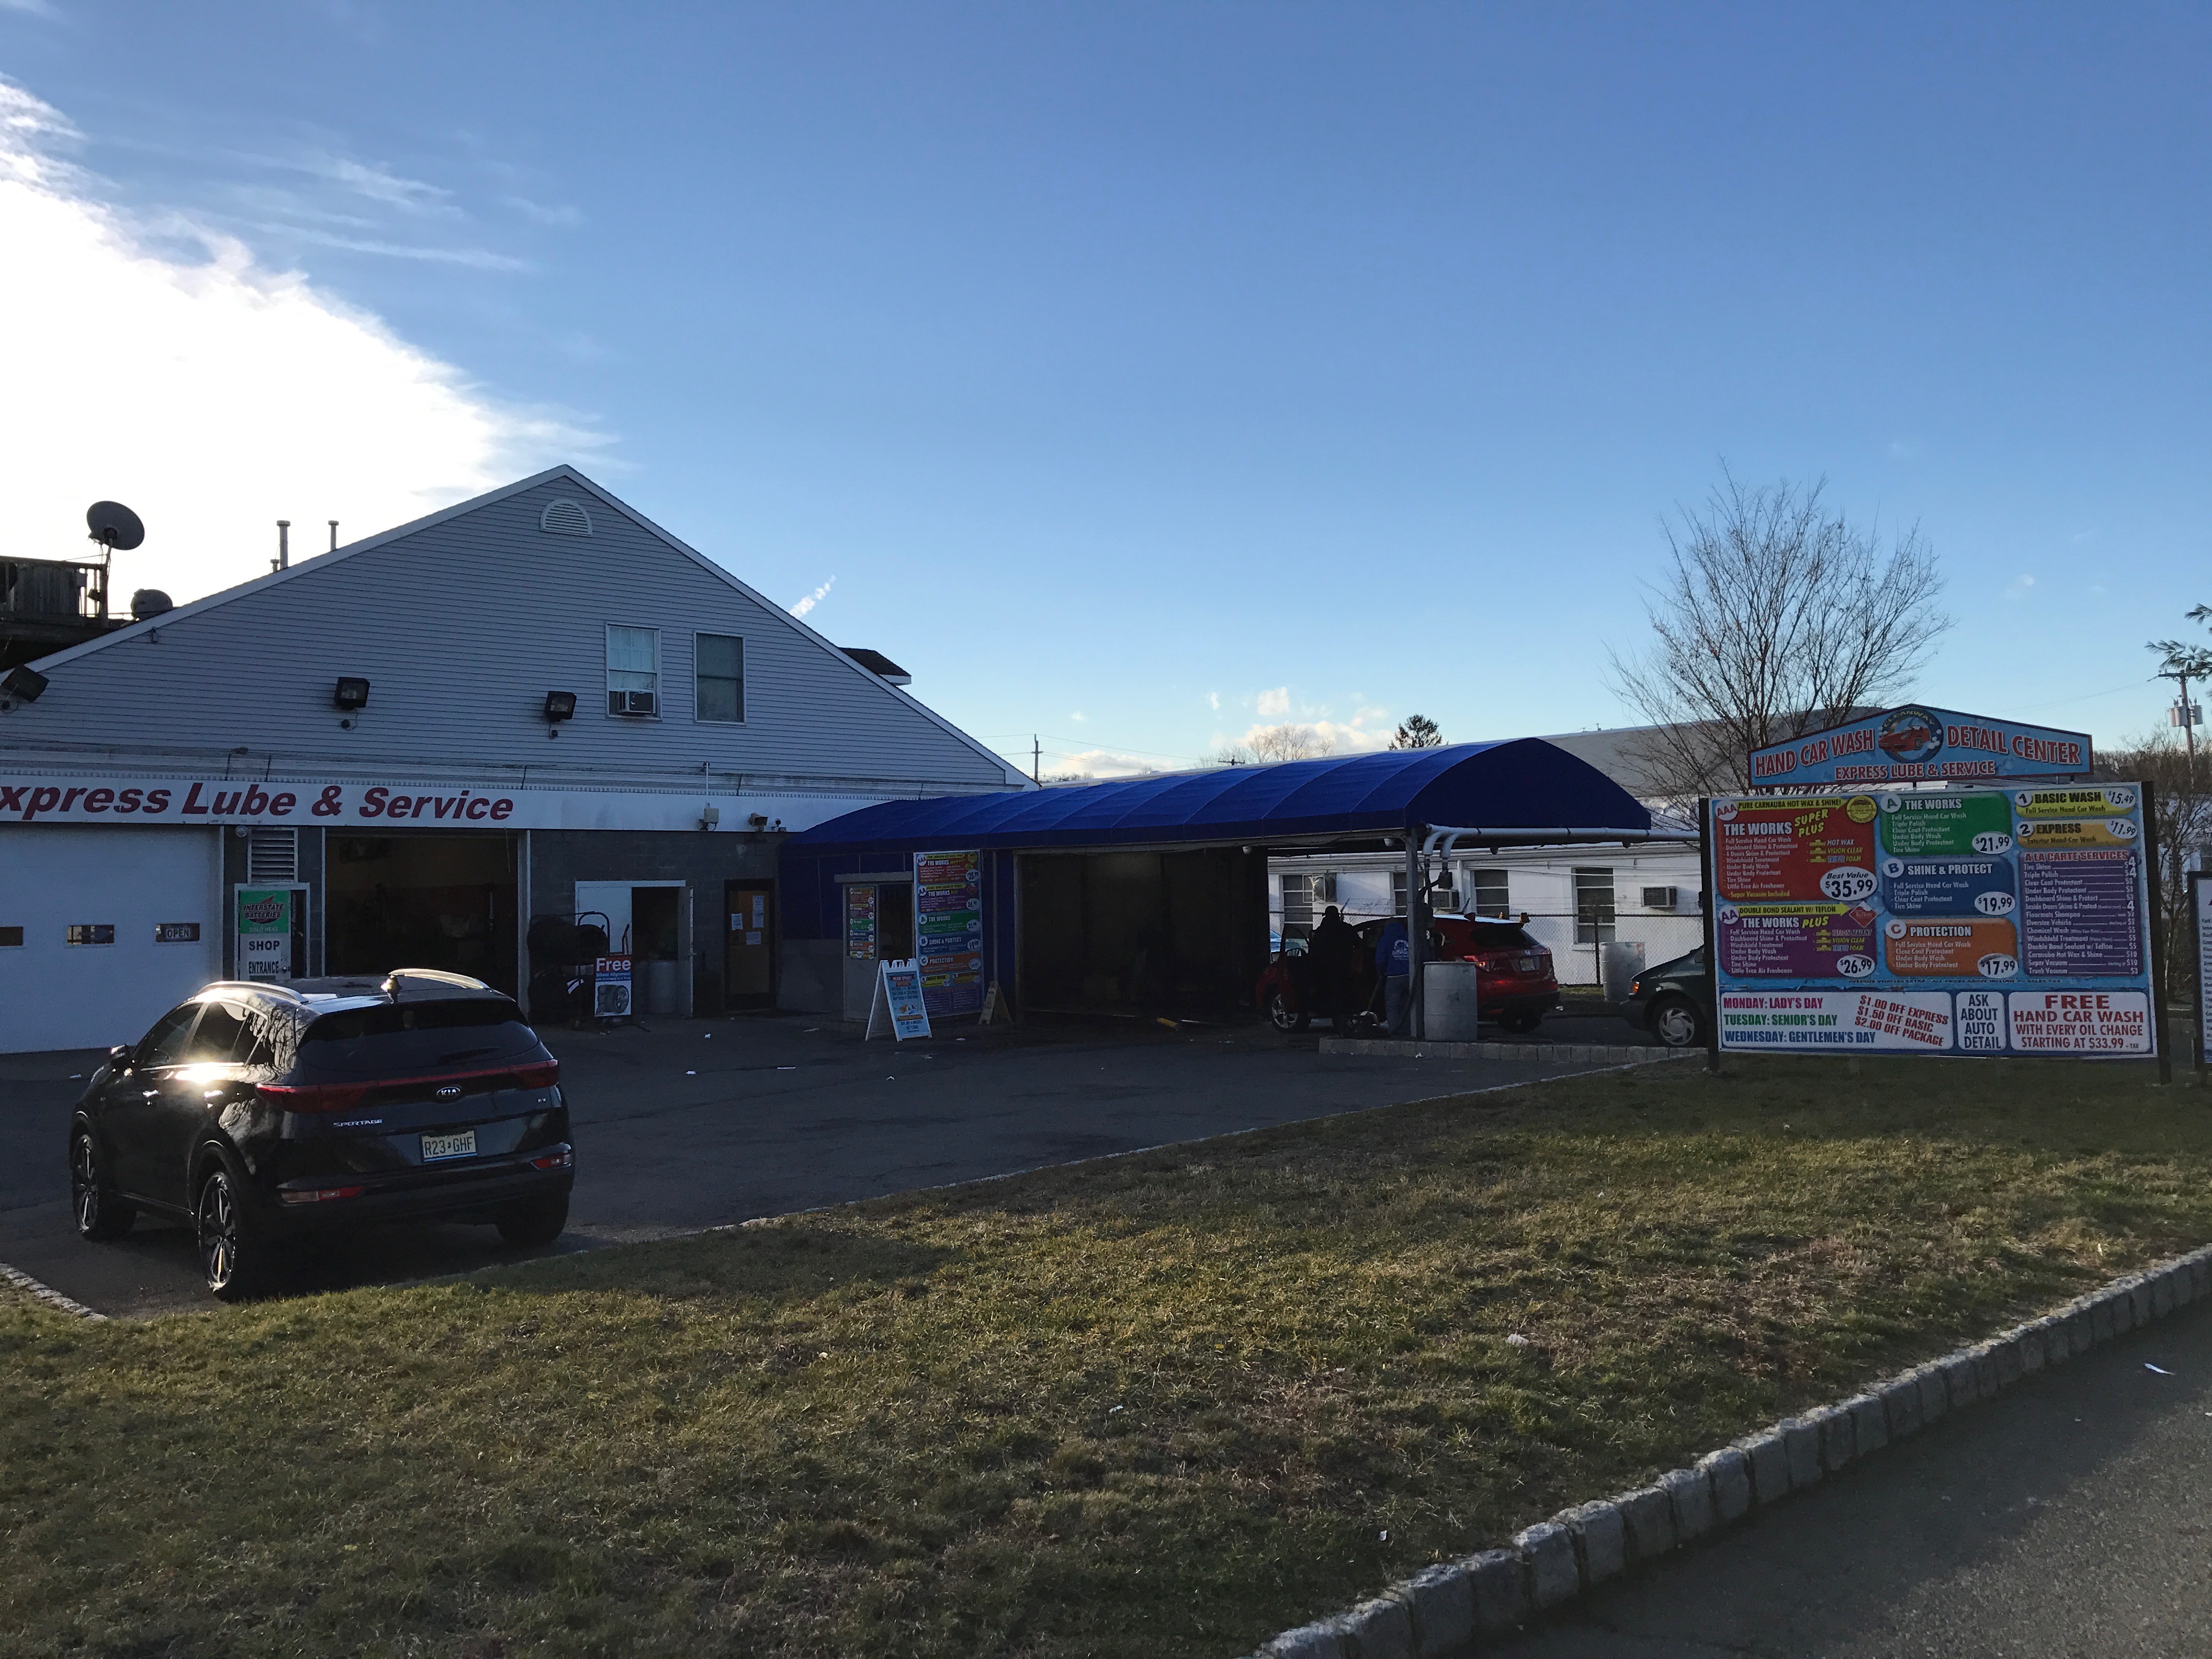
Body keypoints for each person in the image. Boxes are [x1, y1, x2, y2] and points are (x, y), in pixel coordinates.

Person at [1307, 905, 1359, 1027]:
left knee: (1329, 997)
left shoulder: (1321, 932)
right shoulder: (1346, 929)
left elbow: (1314, 951)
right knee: (1343, 997)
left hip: (1324, 971)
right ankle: (1344, 1023)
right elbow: (1359, 944)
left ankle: (1335, 1021)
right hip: (1344, 970)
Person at [1376, 915, 1410, 1035]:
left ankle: (1395, 1032)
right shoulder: (1408, 937)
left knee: (1392, 1006)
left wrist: (1381, 972)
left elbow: (1380, 959)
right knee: (1406, 1007)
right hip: (1409, 976)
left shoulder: (1386, 939)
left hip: (1393, 977)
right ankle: (1407, 1031)